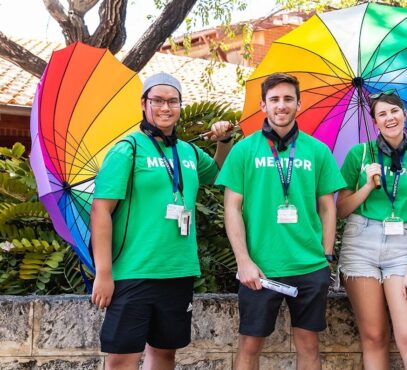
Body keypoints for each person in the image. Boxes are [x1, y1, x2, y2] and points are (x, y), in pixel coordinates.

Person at [90, 72, 234, 370]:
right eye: (157, 100)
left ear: (181, 105)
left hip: (177, 269)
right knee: (122, 358)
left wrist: (224, 140)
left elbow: (219, 172)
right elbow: (100, 210)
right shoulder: (127, 148)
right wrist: (103, 273)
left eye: (173, 101)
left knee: (165, 354)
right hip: (133, 270)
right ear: (144, 104)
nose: (165, 108)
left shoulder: (189, 151)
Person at [216, 72, 346, 370]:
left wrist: (326, 256)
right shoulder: (244, 150)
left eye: (288, 99)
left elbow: (328, 207)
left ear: (298, 104)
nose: (281, 105)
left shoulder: (317, 150)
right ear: (263, 105)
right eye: (274, 99)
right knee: (249, 345)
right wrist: (243, 261)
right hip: (260, 268)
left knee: (309, 345)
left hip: (309, 265)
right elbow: (232, 208)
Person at [335, 90, 407, 370]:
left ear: (404, 115)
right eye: (382, 113)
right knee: (374, 336)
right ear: (375, 121)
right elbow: (341, 209)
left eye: (394, 111)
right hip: (361, 243)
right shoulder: (360, 155)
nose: (389, 117)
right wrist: (367, 185)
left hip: (402, 246)